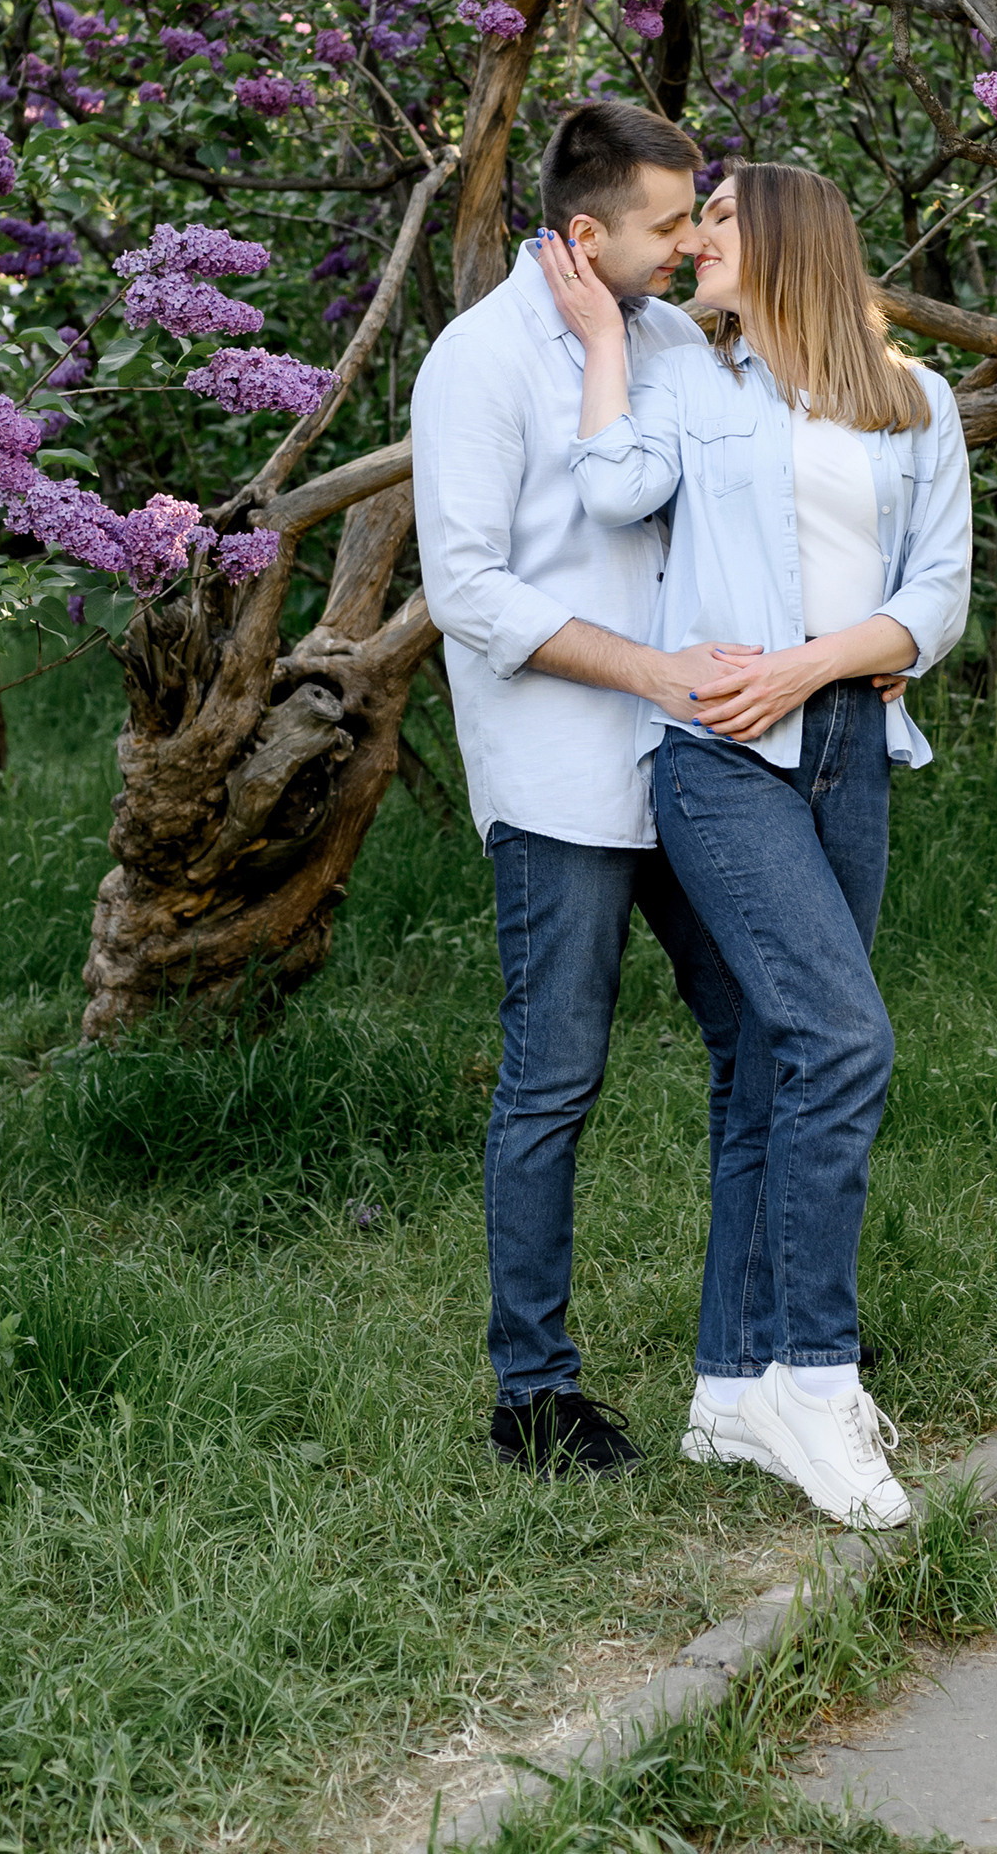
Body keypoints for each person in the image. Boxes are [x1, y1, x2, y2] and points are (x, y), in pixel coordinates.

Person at [536, 159, 972, 1531]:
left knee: (787, 1059)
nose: (692, 241)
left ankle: (729, 1387)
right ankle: (813, 1372)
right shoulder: (687, 378)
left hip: (851, 751)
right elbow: (610, 492)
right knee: (844, 1039)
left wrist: (826, 662)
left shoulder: (915, 401)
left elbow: (939, 595)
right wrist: (609, 343)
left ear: (785, 238)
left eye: (716, 218)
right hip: (722, 758)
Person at [410, 97, 754, 1481]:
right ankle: (533, 1393)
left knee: (767, 1029)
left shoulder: (666, 337)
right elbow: (469, 588)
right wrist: (653, 672)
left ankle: (760, 1344)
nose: (686, 246)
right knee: (555, 1076)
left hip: (701, 758)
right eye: (670, 224)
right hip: (561, 776)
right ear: (585, 229)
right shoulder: (475, 362)